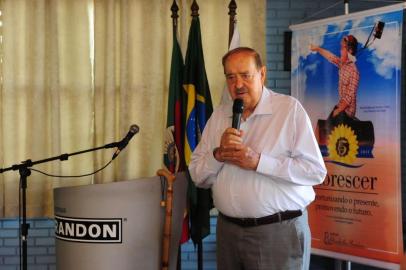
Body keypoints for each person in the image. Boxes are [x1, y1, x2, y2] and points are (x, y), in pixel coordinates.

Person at [188, 47, 327, 270]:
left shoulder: (289, 110)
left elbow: (314, 172)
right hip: (228, 232)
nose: (238, 84)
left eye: (245, 75)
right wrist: (218, 155)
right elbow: (197, 175)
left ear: (262, 74)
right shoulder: (219, 115)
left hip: (278, 232)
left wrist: (259, 162)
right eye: (231, 77)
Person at [310, 35, 359, 122]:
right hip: (340, 107)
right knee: (321, 125)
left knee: (324, 127)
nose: (340, 51)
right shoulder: (342, 65)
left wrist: (338, 110)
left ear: (350, 51)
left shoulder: (354, 71)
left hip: (347, 112)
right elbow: (330, 56)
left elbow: (349, 96)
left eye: (342, 48)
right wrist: (318, 49)